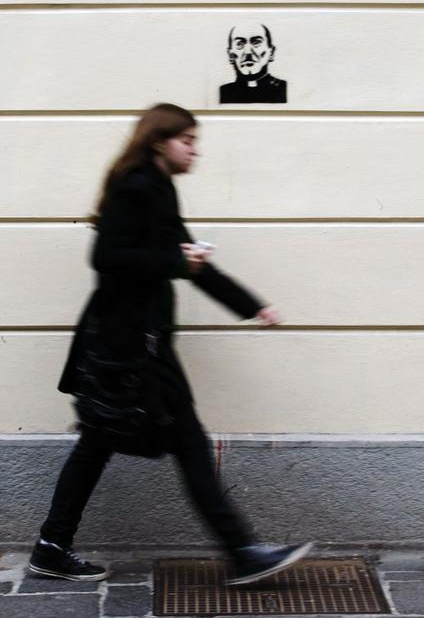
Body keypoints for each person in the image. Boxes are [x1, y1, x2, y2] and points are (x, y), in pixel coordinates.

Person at [28, 103, 311, 586]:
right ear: (161, 141)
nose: (195, 151)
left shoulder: (156, 187)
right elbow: (108, 257)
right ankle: (241, 552)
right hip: (130, 347)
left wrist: (251, 305)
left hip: (133, 343)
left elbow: (188, 262)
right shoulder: (137, 186)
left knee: (98, 442)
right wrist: (178, 263)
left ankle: (52, 546)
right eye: (188, 141)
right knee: (184, 442)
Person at [220, 23, 287, 104]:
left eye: (256, 42)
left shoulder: (284, 89)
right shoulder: (223, 93)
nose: (248, 52)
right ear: (230, 55)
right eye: (240, 44)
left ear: (271, 52)